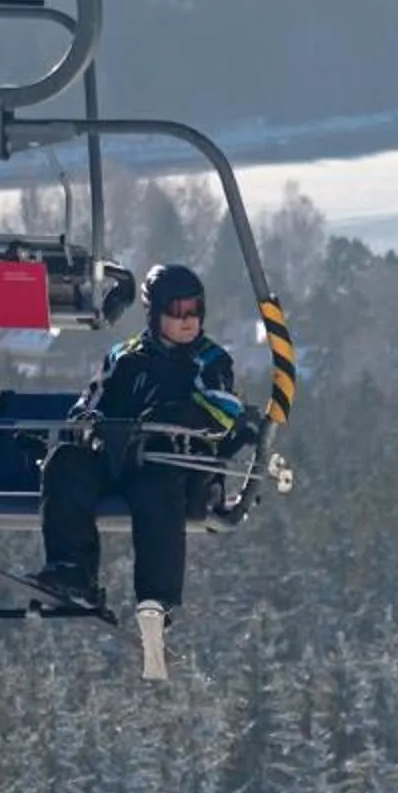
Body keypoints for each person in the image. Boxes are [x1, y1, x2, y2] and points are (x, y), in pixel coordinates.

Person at [34, 262, 248, 625]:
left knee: (157, 489)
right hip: (118, 456)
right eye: (177, 311)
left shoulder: (209, 360)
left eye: (196, 310)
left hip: (174, 464)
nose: (188, 320)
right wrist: (89, 422)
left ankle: (156, 598)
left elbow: (223, 408)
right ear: (155, 312)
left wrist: (176, 416)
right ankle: (73, 569)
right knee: (66, 463)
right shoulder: (125, 357)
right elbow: (90, 401)